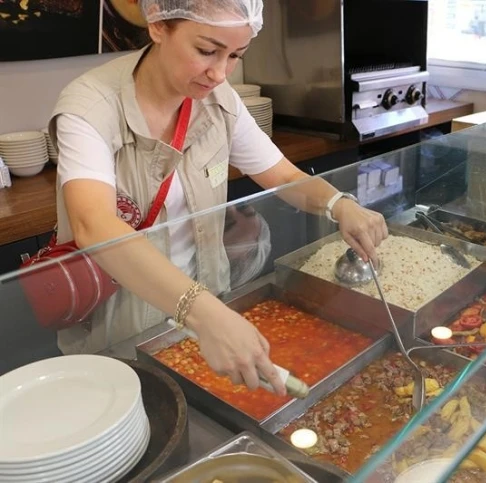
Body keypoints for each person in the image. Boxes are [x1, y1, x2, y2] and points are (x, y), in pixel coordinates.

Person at [49, 0, 388, 396]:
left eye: (235, 56)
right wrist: (204, 312)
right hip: (125, 325)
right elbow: (95, 225)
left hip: (206, 313)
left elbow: (281, 175)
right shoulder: (88, 107)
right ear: (158, 26)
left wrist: (339, 204)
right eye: (206, 51)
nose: (219, 72)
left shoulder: (218, 99)